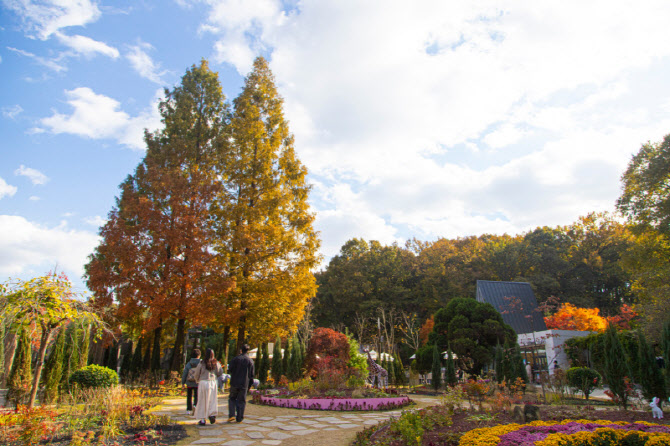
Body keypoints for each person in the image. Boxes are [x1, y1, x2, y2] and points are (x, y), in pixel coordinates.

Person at [193, 348, 224, 425]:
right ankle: (212, 414)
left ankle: (203, 419)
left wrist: (197, 380)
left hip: (203, 382)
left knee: (202, 400)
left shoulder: (202, 363)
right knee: (212, 400)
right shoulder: (216, 363)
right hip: (213, 382)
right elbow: (220, 372)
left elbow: (196, 373)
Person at [227, 343, 255, 423]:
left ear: (241, 350)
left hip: (234, 382)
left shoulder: (235, 359)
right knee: (242, 400)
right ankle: (239, 418)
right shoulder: (250, 361)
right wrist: (250, 385)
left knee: (232, 398)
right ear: (248, 351)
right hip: (244, 383)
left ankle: (232, 414)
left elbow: (230, 369)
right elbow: (252, 375)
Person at [182, 349, 202, 415]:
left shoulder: (189, 363)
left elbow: (185, 373)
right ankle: (195, 405)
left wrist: (183, 382)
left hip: (189, 382)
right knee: (197, 395)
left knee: (189, 395)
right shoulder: (201, 363)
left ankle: (188, 409)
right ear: (199, 355)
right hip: (197, 382)